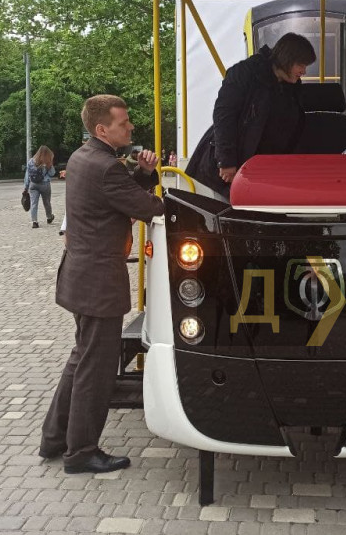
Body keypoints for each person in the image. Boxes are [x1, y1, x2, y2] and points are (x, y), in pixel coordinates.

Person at [39, 94, 164, 474]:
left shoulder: (83, 158)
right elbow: (147, 207)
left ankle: (55, 439)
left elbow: (118, 195)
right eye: (123, 123)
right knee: (96, 368)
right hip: (98, 284)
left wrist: (144, 173)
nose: (131, 127)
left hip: (80, 276)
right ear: (102, 129)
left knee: (82, 359)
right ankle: (81, 453)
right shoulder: (106, 166)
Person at [186, 32, 316, 198]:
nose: (304, 71)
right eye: (301, 65)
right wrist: (226, 161)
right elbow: (224, 116)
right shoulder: (245, 73)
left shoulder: (291, 86)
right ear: (287, 59)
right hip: (229, 171)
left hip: (263, 171)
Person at [25, 145, 59, 229]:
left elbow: (27, 175)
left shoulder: (31, 161)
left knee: (34, 203)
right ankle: (49, 217)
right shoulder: (47, 162)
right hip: (44, 184)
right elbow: (52, 173)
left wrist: (26, 187)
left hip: (33, 184)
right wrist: (50, 165)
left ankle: (34, 222)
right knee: (47, 202)